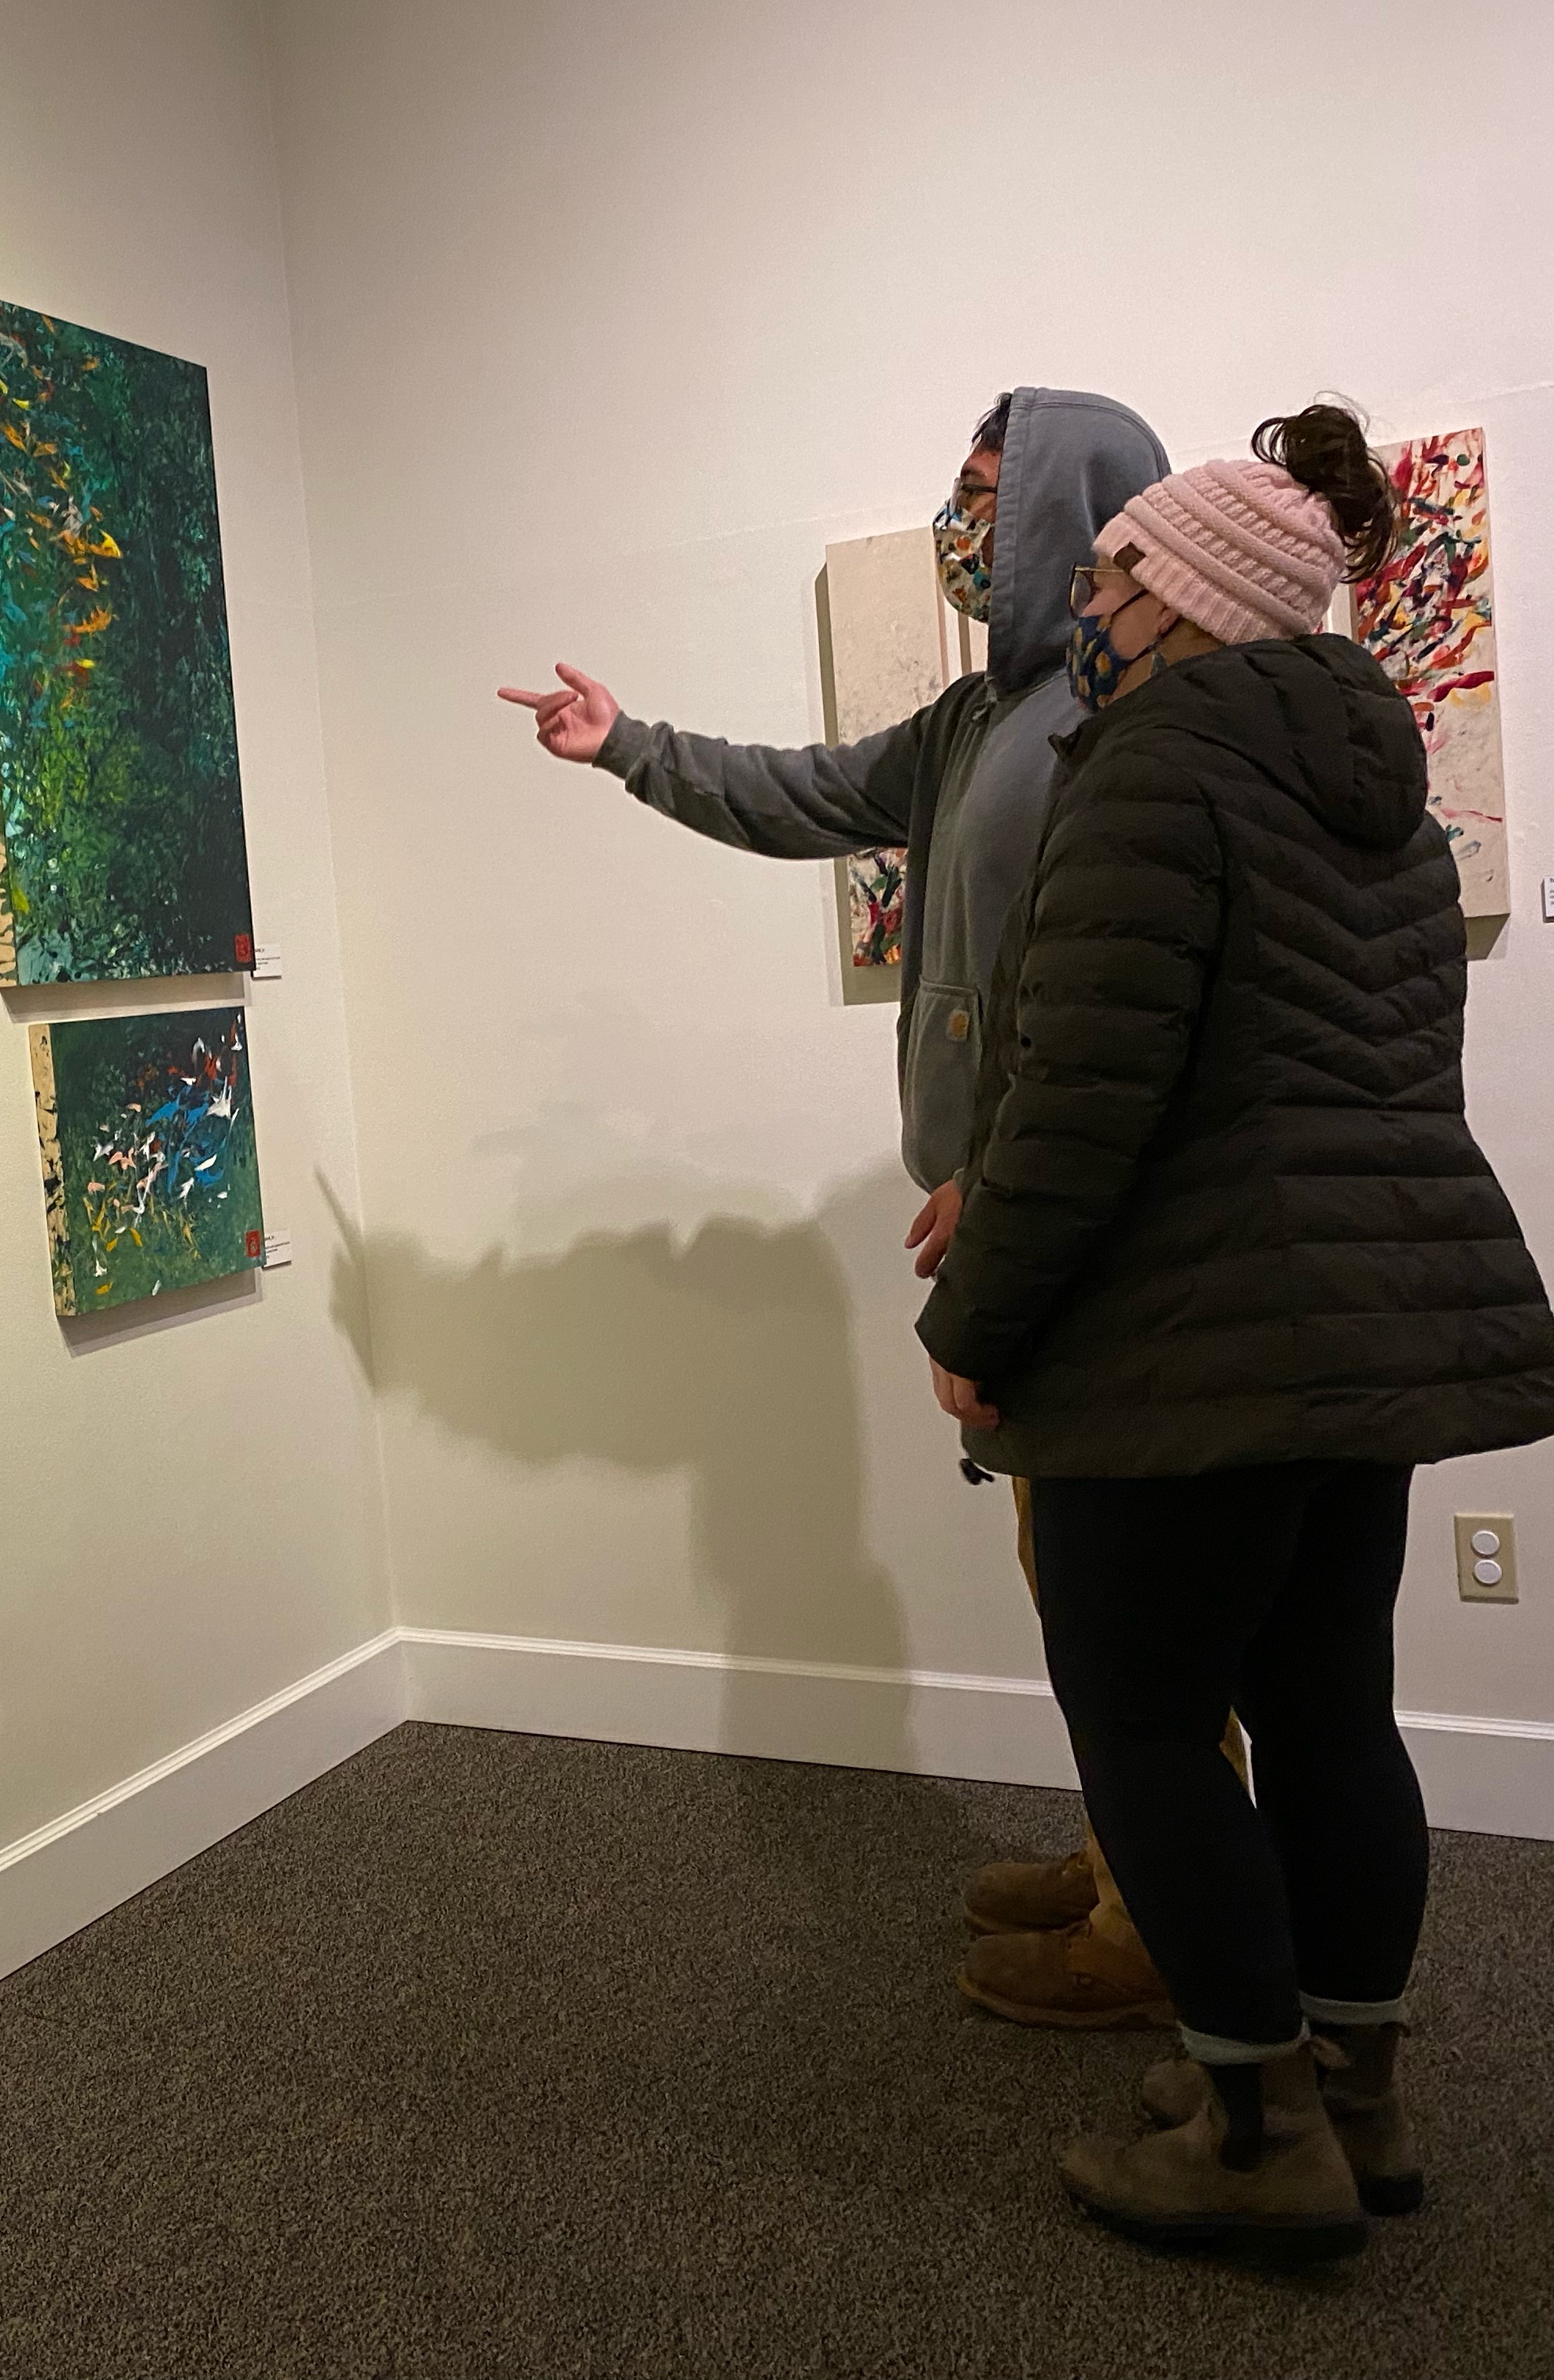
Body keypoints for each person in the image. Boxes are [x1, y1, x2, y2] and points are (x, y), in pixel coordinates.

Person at [914, 405, 1554, 2252]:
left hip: (1189, 1345)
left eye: (1121, 569)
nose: (1090, 590)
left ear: (1191, 601)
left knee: (1140, 1720)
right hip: (1369, 1334)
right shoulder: (1375, 781)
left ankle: (1249, 2135)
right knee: (1330, 1709)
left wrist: (975, 1327)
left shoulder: (1155, 769)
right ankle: (1352, 2094)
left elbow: (1083, 1099)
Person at [498, 389, 1196, 2027]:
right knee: (1079, 1580)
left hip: (1075, 1229)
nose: (960, 522)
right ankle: (1136, 1866)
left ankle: (1164, 1929)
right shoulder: (977, 723)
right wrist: (636, 750)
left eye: (984, 492)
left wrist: (1008, 1179)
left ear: (1069, 510)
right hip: (1009, 1215)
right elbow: (810, 794)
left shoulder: (1127, 728)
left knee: (1130, 1598)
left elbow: (1119, 1010)